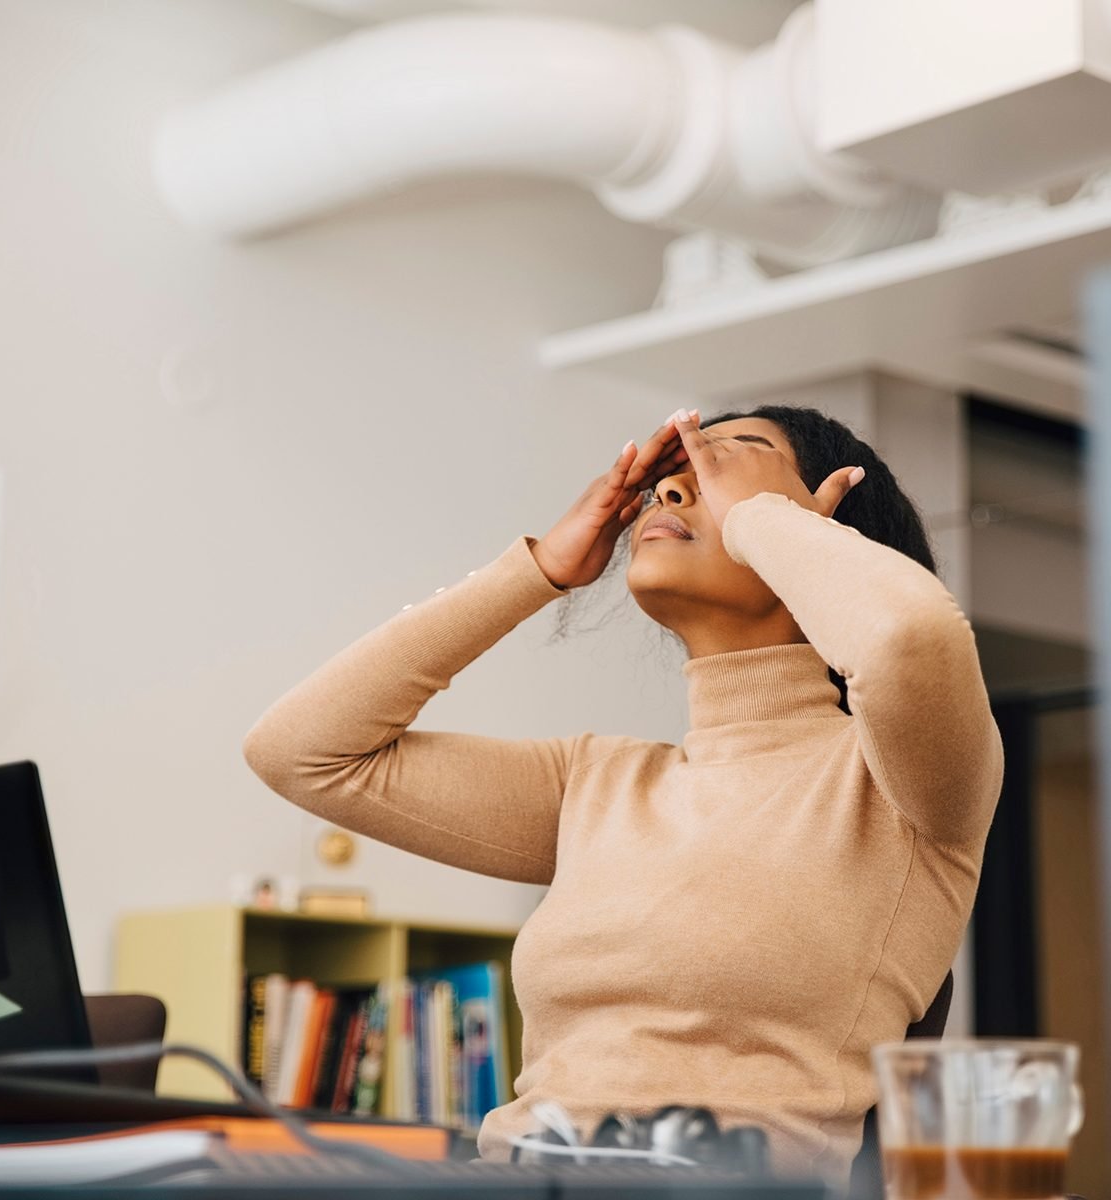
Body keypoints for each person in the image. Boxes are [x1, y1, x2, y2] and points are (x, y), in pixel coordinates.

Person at [243, 404, 1003, 1187]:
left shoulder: (903, 786)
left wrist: (765, 523)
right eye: (671, 474)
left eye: (724, 463)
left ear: (822, 523)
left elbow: (911, 638)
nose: (672, 489)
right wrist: (535, 571)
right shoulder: (596, 783)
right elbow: (301, 753)